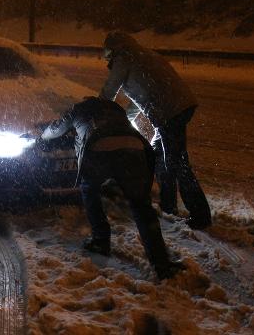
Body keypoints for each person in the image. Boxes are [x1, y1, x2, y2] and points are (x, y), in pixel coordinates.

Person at [41, 96, 184, 280]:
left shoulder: (79, 109)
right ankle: (162, 264)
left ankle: (100, 240)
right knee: (141, 206)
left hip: (99, 148)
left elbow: (55, 130)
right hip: (134, 148)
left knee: (89, 189)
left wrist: (41, 136)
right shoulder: (114, 107)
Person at [99, 31, 212, 230]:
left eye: (108, 51)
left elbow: (109, 91)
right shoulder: (142, 55)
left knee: (177, 163)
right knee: (159, 154)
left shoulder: (124, 58)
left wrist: (96, 112)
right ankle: (168, 207)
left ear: (115, 48)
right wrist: (125, 122)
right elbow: (141, 99)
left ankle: (199, 215)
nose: (107, 57)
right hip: (178, 107)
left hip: (170, 113)